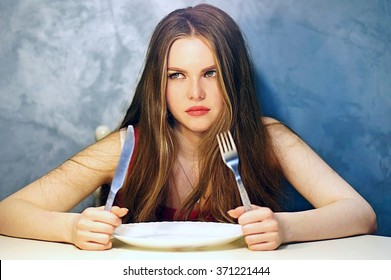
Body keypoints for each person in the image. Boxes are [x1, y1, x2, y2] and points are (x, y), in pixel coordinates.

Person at [0, 4, 376, 251]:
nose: (195, 92)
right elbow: (9, 211)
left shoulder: (267, 139)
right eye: (176, 75)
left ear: (233, 76)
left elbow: (361, 214)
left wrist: (286, 227)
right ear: (157, 84)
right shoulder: (128, 146)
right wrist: (71, 230)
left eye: (210, 73)